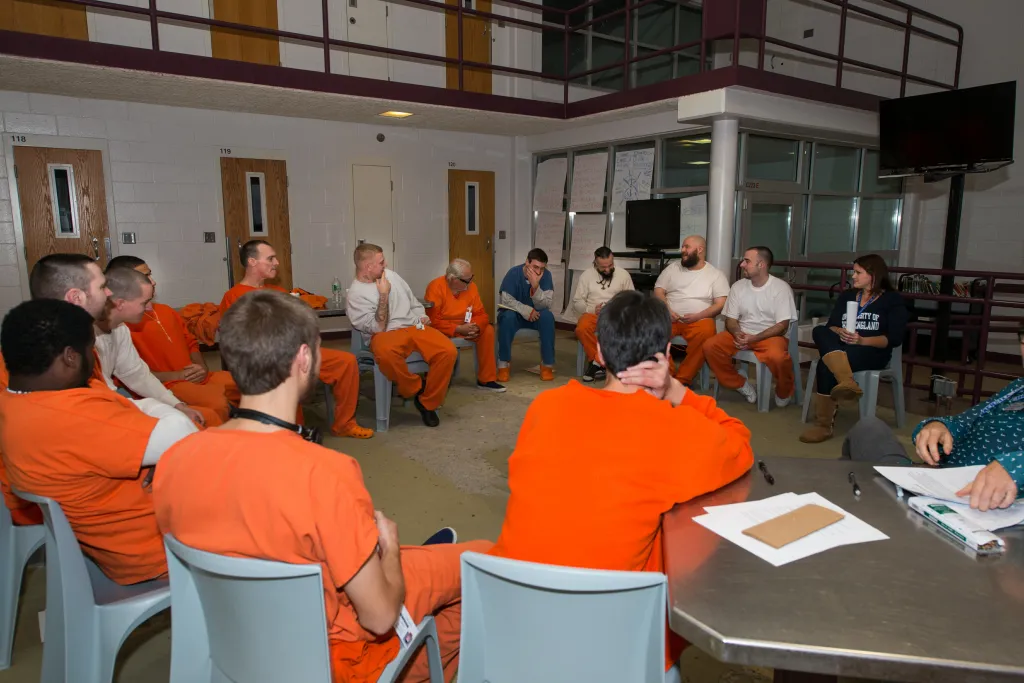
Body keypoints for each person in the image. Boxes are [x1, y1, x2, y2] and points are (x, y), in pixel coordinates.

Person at [154, 290, 492, 682]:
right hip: (331, 656)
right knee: (481, 560)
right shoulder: (325, 471)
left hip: (241, 637)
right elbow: (379, 616)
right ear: (303, 359)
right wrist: (393, 550)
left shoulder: (175, 458)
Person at [489, 290, 754, 673]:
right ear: (664, 353)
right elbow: (739, 443)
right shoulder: (673, 431)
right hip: (610, 643)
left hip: (518, 623)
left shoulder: (545, 408)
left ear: (598, 352)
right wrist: (675, 390)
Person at [0, 299, 195, 585]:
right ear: (70, 357)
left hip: (110, 541)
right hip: (158, 550)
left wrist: (158, 450)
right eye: (91, 348)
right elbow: (182, 431)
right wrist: (154, 418)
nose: (95, 360)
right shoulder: (72, 414)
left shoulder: (16, 401)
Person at [841, 322, 1024, 512]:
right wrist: (938, 426)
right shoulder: (1018, 389)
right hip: (932, 482)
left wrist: (1014, 467)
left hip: (976, 509)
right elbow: (964, 421)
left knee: (862, 483)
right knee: (868, 428)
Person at [221, 239, 373, 439]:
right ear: (252, 262)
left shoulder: (279, 293)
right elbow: (233, 341)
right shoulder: (234, 296)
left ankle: (344, 423)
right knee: (288, 373)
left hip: (297, 351)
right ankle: (292, 433)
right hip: (267, 360)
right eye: (270, 259)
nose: (276, 263)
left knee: (346, 362)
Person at [109, 256, 241, 425]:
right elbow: (132, 374)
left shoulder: (166, 311)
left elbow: (190, 342)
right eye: (145, 277)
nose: (153, 281)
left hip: (196, 375)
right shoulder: (123, 324)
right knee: (219, 403)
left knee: (247, 384)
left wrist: (202, 367)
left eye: (150, 274)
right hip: (169, 382)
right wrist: (179, 375)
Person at [346, 244, 457, 427]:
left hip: (413, 326)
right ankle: (415, 388)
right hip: (385, 333)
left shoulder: (392, 276)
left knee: (448, 351)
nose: (386, 264)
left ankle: (426, 402)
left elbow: (413, 301)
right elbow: (377, 328)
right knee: (386, 353)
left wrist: (421, 316)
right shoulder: (356, 295)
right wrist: (383, 296)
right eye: (381, 262)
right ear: (368, 267)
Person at [801, 254, 907, 443]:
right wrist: (841, 331)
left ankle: (823, 425)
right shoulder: (848, 296)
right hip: (842, 346)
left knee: (827, 363)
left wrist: (861, 341)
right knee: (819, 331)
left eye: (858, 272)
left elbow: (893, 339)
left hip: (871, 351)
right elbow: (831, 326)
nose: (853, 276)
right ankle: (846, 380)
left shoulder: (892, 300)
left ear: (873, 274)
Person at [703, 246, 797, 406]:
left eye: (747, 261)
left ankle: (784, 390)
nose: (741, 265)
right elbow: (730, 320)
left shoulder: (780, 288)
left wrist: (755, 338)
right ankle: (739, 383)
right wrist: (738, 333)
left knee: (778, 358)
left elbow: (783, 325)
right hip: (742, 333)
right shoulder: (738, 286)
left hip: (770, 336)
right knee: (710, 347)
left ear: (761, 264)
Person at [653, 235, 730, 386]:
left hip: (699, 321)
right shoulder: (672, 268)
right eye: (683, 247)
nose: (682, 250)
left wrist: (698, 316)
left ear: (700, 249)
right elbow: (658, 290)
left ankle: (682, 379)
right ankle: (667, 376)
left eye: (687, 247)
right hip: (669, 317)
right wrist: (667, 310)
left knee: (707, 333)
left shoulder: (715, 275)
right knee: (652, 329)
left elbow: (721, 303)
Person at [423, 259, 505, 392]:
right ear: (452, 279)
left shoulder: (471, 287)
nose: (470, 282)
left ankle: (486, 380)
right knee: (433, 334)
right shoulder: (435, 287)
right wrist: (458, 329)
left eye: (471, 277)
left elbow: (481, 314)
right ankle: (434, 379)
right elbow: (433, 321)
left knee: (488, 330)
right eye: (467, 280)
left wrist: (476, 327)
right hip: (444, 328)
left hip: (467, 326)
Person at [572, 246, 634, 383]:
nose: (607, 269)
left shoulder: (623, 274)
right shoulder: (586, 275)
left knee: (619, 330)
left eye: (610, 265)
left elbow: (632, 300)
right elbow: (577, 302)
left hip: (616, 315)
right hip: (592, 312)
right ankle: (603, 362)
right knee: (581, 329)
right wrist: (592, 309)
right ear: (595, 264)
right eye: (602, 267)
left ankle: (596, 363)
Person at [497, 248, 556, 381]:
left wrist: (535, 287)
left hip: (536, 315)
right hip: (515, 314)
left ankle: (547, 364)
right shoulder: (513, 273)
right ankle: (503, 364)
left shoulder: (546, 275)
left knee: (547, 317)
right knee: (507, 318)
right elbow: (506, 300)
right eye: (535, 267)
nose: (538, 271)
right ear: (526, 262)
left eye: (542, 268)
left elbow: (545, 304)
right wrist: (526, 311)